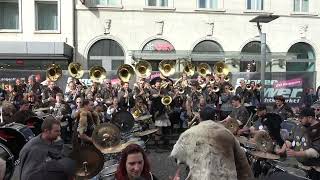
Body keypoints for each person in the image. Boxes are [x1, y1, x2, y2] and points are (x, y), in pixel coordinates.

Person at [170, 106, 253, 180]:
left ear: (200, 118)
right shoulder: (227, 133)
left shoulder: (189, 133)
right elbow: (241, 160)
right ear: (215, 117)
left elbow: (176, 156)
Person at [276, 107, 320, 180]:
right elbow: (290, 139)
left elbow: (315, 152)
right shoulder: (299, 126)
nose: (299, 120)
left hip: (315, 169)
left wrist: (296, 153)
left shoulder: (318, 129)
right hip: (301, 166)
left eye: (302, 118)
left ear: (310, 118)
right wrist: (282, 149)